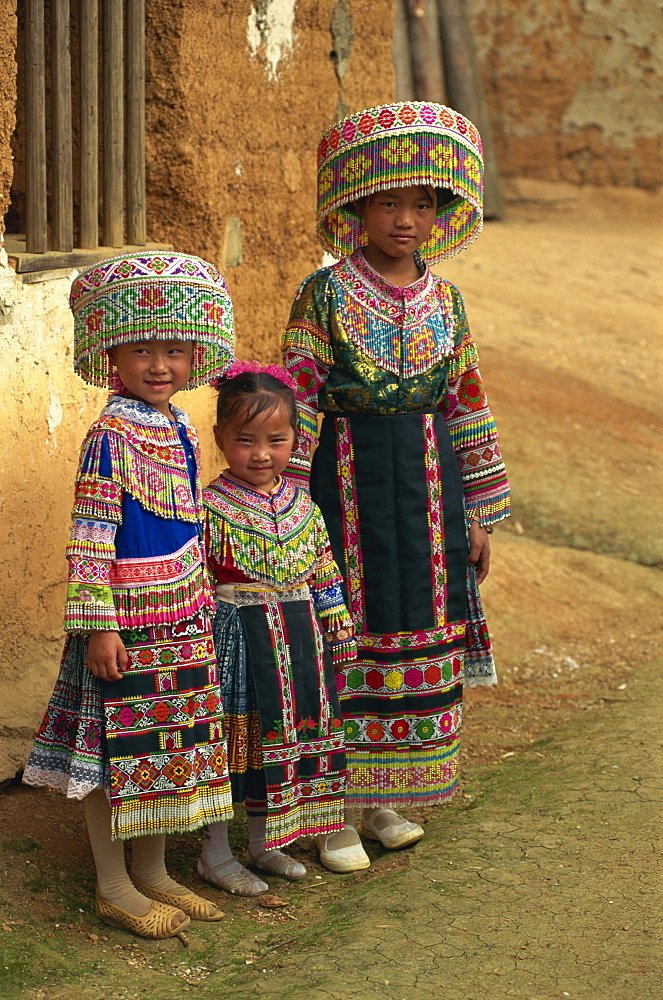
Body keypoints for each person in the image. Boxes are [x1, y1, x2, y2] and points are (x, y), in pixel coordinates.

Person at [281, 102, 510, 869]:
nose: (405, 220)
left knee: (414, 627)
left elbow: (466, 401)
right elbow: (299, 399)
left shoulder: (446, 301)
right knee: (342, 632)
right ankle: (330, 812)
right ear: (357, 209)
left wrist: (477, 510)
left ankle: (382, 797)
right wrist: (282, 505)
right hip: (340, 486)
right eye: (388, 203)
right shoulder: (325, 294)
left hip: (428, 487)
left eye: (420, 203)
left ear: (440, 212)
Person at [23, 251, 236, 941]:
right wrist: (100, 627)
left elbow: (188, 523)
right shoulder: (108, 435)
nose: (159, 365)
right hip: (125, 624)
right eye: (141, 349)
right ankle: (114, 886)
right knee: (115, 753)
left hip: (183, 616)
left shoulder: (177, 426)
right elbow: (90, 537)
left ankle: (152, 872)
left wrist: (201, 599)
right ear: (111, 351)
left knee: (165, 748)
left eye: (174, 350)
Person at [196, 361, 365, 892]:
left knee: (282, 738)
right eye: (245, 440)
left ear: (296, 438)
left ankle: (266, 842)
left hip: (298, 642)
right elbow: (197, 578)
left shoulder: (304, 506)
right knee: (233, 739)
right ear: (221, 437)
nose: (262, 454)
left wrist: (336, 623)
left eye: (277, 439)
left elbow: (323, 567)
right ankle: (214, 853)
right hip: (237, 640)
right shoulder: (207, 506)